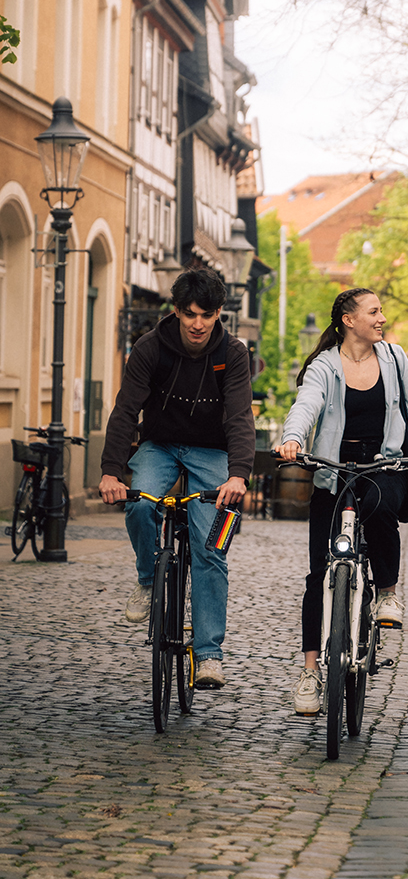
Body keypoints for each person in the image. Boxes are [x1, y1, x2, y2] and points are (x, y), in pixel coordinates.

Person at [275, 288, 408, 716]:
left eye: (382, 310)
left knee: (382, 507)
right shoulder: (325, 367)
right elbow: (306, 404)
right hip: (334, 468)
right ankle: (311, 673)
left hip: (383, 465)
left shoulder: (396, 359)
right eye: (374, 311)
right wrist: (293, 438)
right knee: (317, 574)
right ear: (349, 320)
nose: (382, 317)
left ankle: (386, 592)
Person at [99, 268, 254, 689]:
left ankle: (208, 655)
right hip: (160, 446)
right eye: (190, 314)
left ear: (219, 312)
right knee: (140, 503)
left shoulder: (233, 353)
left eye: (207, 314)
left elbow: (240, 416)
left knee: (211, 550)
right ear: (177, 311)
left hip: (212, 454)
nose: (198, 324)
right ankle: (149, 581)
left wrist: (238, 474)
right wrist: (112, 470)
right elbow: (126, 410)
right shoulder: (151, 347)